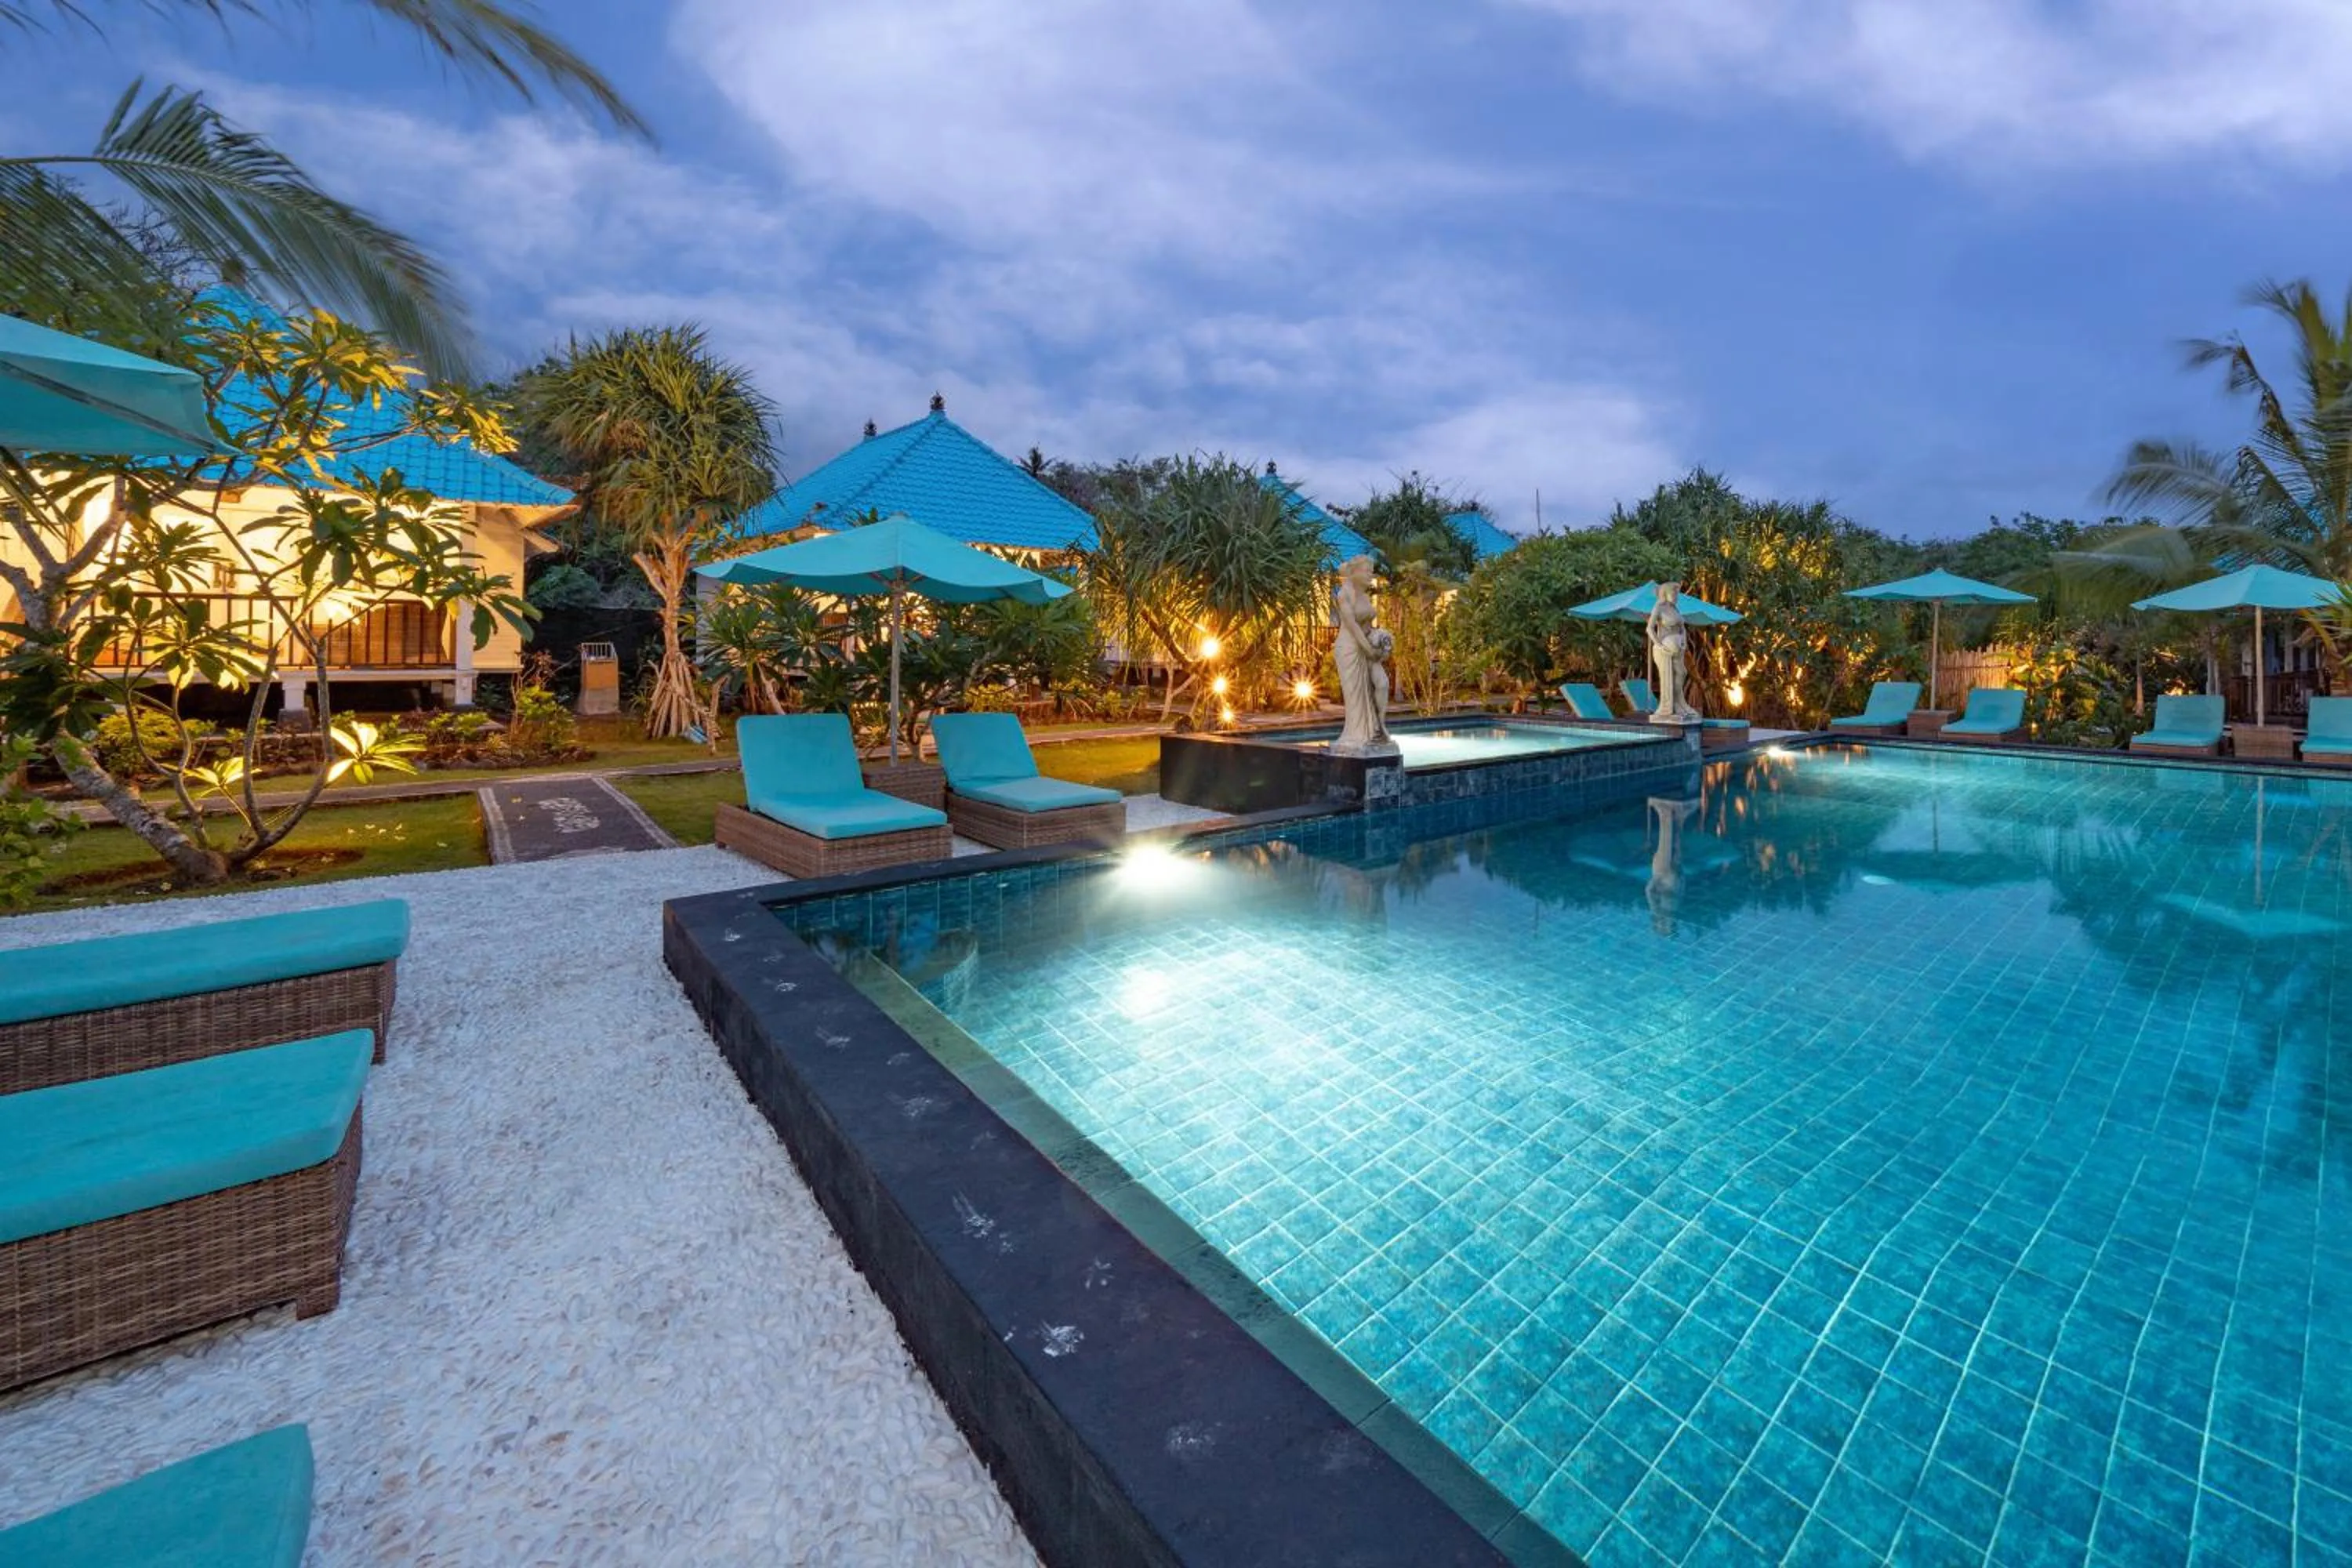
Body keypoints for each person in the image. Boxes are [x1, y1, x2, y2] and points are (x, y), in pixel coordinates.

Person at [1333, 554, 1395, 753]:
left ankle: (1380, 727)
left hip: (1368, 647)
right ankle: (1358, 736)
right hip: (1350, 649)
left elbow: (1367, 627)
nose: (1371, 574)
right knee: (1356, 698)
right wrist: (1371, 652)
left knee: (1383, 684)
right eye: (1367, 570)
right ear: (1355, 572)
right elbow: (1352, 627)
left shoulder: (1365, 595)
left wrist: (1382, 639)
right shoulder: (1344, 594)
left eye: (1372, 570)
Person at [1645, 581, 1700, 724]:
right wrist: (1659, 644)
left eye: (1677, 594)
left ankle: (1679, 703)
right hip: (1665, 650)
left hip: (1679, 649)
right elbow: (1650, 629)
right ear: (1665, 594)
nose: (1676, 596)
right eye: (1673, 593)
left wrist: (1684, 640)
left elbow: (1683, 628)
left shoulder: (1675, 608)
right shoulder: (1659, 607)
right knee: (1677, 674)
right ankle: (1676, 704)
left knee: (1682, 673)